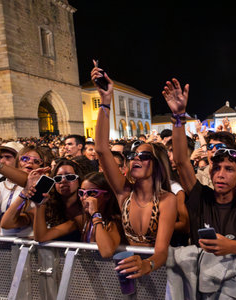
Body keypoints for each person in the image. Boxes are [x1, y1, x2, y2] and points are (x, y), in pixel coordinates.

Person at [163, 77, 236, 257]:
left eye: (229, 169)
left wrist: (231, 246)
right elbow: (181, 162)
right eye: (216, 169)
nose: (220, 175)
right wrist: (179, 117)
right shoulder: (201, 198)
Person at [92, 64, 176, 278]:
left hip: (157, 271)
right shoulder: (123, 193)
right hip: (128, 269)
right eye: (132, 155)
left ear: (157, 165)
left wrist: (146, 265)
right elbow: (101, 148)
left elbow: (161, 251)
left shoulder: (167, 200)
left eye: (144, 156)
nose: (135, 158)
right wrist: (105, 101)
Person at [32, 170, 121, 257]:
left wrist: (95, 214)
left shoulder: (114, 222)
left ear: (106, 196)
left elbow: (106, 252)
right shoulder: (82, 220)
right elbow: (41, 237)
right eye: (81, 193)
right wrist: (40, 206)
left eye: (91, 193)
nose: (84, 198)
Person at [1, 159, 84, 242]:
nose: (63, 180)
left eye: (70, 177)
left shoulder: (83, 212)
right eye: (58, 178)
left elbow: (41, 237)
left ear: (79, 180)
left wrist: (40, 205)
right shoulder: (49, 208)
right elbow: (7, 223)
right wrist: (25, 192)